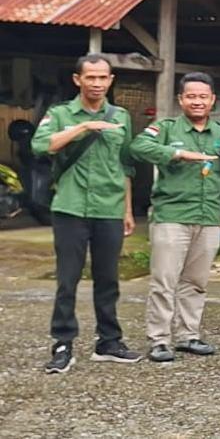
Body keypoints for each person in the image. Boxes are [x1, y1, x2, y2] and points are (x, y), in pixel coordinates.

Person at [34, 54, 140, 371]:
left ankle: (108, 341)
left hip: (109, 208)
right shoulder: (60, 113)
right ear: (77, 80)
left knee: (108, 279)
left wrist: (128, 210)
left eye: (102, 77)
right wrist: (82, 126)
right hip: (70, 207)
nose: (96, 83)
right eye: (90, 77)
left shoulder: (120, 116)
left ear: (110, 80)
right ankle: (63, 343)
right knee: (68, 280)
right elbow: (42, 146)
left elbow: (125, 166)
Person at [129, 72, 220, 363]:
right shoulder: (165, 128)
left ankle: (189, 335)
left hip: (208, 217)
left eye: (203, 96)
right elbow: (138, 147)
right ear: (181, 99)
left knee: (196, 281)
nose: (197, 101)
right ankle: (159, 340)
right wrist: (177, 153)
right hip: (172, 216)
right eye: (191, 96)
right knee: (164, 281)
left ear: (213, 99)